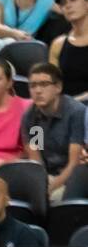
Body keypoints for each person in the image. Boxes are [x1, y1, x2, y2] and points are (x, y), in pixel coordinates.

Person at [21, 62, 86, 198]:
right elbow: (36, 159)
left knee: (55, 198)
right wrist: (42, 186)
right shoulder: (31, 116)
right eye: (33, 86)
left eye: (44, 84)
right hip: (47, 175)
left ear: (58, 87)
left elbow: (74, 163)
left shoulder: (75, 112)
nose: (38, 91)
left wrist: (50, 188)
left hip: (73, 175)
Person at [50, 0, 88, 101]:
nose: (68, 5)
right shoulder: (58, 44)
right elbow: (52, 84)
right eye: (63, 3)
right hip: (65, 109)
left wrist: (73, 104)